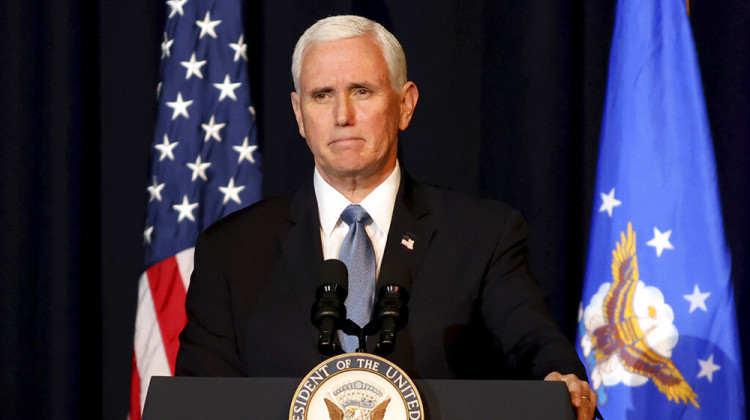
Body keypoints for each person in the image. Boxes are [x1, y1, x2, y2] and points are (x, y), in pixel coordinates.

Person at [176, 15, 598, 420]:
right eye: (322, 95)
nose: (342, 115)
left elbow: (535, 345)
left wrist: (558, 378)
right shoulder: (232, 249)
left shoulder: (482, 235)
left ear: (405, 105)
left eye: (362, 91)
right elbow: (198, 401)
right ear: (299, 114)